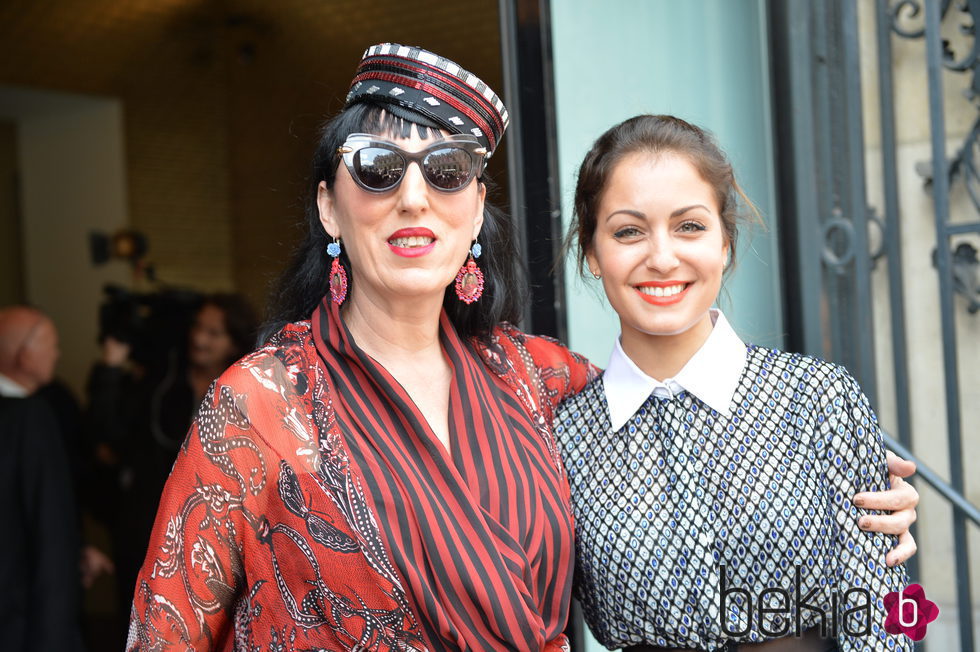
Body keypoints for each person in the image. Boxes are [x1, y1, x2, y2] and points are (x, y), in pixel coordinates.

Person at [127, 47, 916, 651]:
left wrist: (848, 517)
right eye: (376, 169)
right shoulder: (259, 407)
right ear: (330, 207)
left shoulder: (542, 381)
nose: (412, 196)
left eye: (447, 172)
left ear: (475, 214)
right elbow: (164, 631)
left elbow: (687, 451)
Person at [555, 115, 915, 651]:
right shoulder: (563, 437)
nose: (661, 257)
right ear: (592, 252)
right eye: (628, 231)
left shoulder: (819, 400)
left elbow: (886, 617)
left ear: (725, 242)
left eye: (689, 226)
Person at [86, 292, 258, 644]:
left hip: (221, 534)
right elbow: (110, 438)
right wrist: (111, 371)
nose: (199, 339)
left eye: (213, 333)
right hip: (148, 526)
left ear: (233, 340)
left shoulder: (249, 388)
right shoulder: (160, 381)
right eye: (197, 328)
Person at [0, 305, 84, 651]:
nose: (57, 353)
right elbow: (51, 531)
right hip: (22, 620)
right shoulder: (30, 417)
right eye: (51, 344)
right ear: (25, 355)